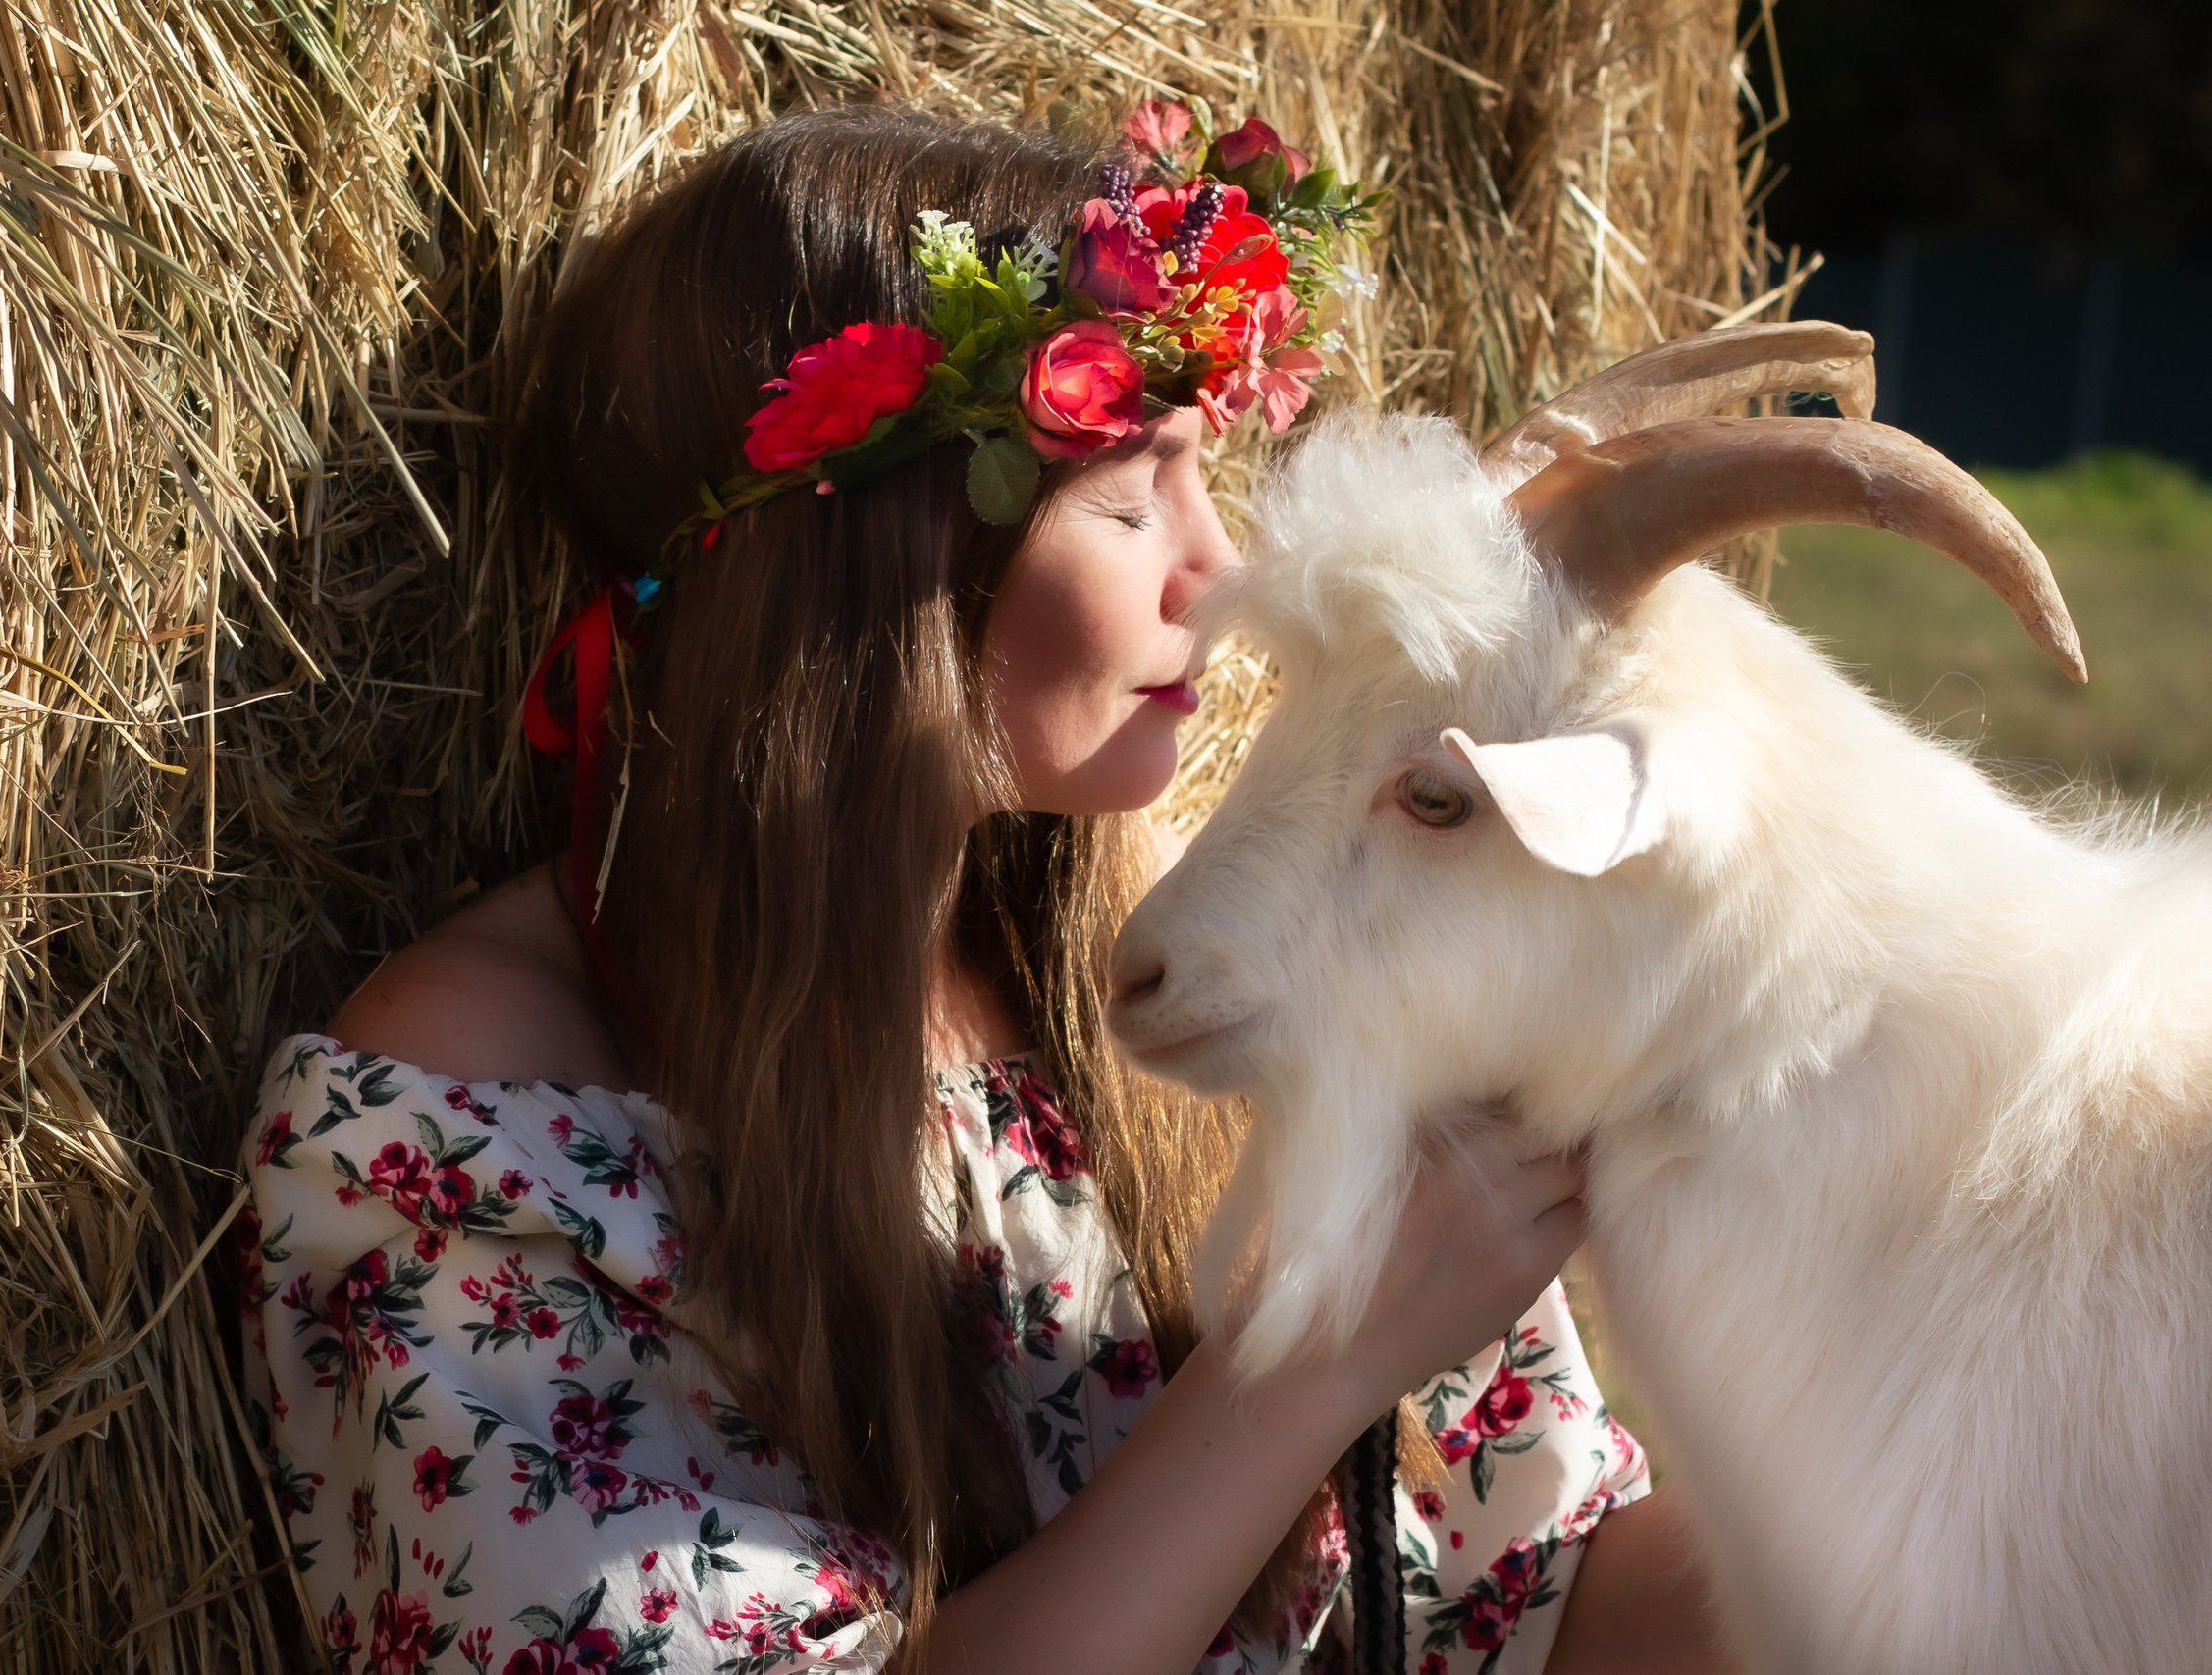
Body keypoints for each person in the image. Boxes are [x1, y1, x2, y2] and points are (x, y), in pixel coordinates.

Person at [238, 103, 1732, 1675]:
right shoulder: (479, 1131)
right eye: (1133, 496)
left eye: (1206, 479)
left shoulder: (1201, 990)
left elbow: (1542, 1596)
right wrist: (1316, 1363)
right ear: (878, 563)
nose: (1220, 572)